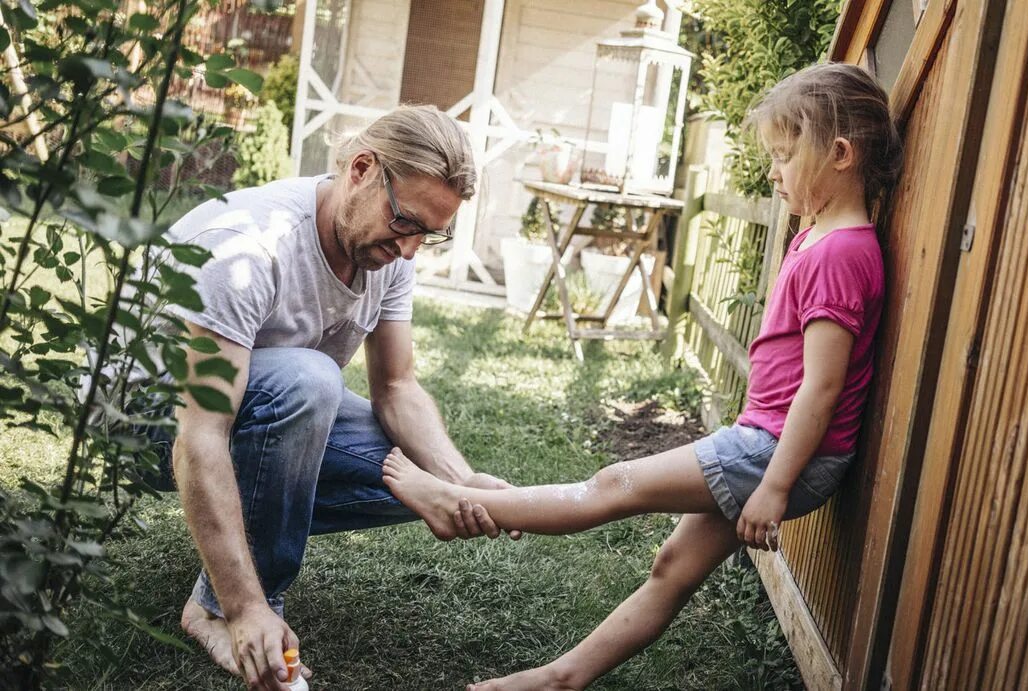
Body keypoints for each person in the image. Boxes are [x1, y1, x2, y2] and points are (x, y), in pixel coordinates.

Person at [382, 63, 902, 691]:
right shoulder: (821, 236)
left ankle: (458, 501)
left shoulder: (844, 253)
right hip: (771, 444)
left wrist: (775, 486)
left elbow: (821, 390)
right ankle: (561, 679)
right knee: (673, 568)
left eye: (787, 156)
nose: (773, 173)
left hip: (778, 452)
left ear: (840, 154)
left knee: (613, 484)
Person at [147, 105, 516, 690]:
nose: (412, 248)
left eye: (430, 233)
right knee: (310, 380)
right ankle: (223, 607)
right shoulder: (248, 248)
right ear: (363, 169)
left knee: (417, 475)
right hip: (145, 418)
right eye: (406, 222)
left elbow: (397, 387)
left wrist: (457, 480)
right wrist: (247, 608)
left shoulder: (387, 250)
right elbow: (201, 432)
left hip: (257, 411)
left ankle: (233, 551)